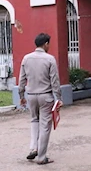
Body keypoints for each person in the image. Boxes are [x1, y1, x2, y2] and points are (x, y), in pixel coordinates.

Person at [18, 33, 62, 165]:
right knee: (45, 126)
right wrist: (58, 98)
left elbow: (21, 79)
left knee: (34, 121)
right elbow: (55, 80)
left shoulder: (26, 58)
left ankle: (33, 148)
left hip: (31, 96)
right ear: (46, 44)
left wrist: (21, 96)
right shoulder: (50, 59)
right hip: (46, 96)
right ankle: (42, 157)